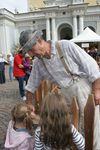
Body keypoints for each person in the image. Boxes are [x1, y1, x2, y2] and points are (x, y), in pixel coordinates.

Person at [19, 29, 100, 149]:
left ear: (40, 41)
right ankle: (77, 145)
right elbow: (30, 86)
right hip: (64, 94)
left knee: (92, 122)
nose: (31, 54)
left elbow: (92, 66)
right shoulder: (38, 63)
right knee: (70, 124)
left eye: (31, 49)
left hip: (82, 88)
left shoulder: (65, 46)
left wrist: (97, 90)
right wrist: (29, 103)